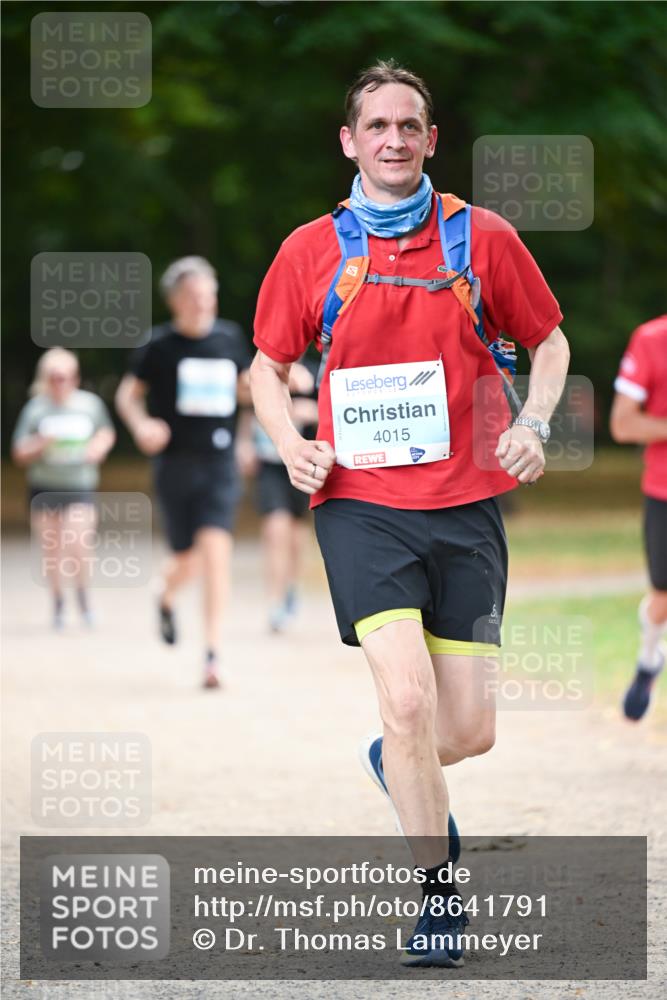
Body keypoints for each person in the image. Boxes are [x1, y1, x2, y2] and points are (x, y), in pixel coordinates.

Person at [250, 60, 570, 967]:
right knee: (406, 697)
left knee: (465, 731)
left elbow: (547, 341)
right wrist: (287, 442)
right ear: (349, 142)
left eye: (410, 126)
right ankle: (435, 896)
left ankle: (398, 761)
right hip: (359, 505)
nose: (394, 140)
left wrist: (535, 422)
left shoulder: (482, 238)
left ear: (431, 139)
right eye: (376, 127)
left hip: (466, 507)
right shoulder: (310, 250)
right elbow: (264, 368)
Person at [115, 256, 251, 689]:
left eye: (208, 294)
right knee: (185, 558)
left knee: (215, 553)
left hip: (219, 463)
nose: (202, 303)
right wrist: (142, 425)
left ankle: (212, 655)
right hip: (175, 465)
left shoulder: (230, 338)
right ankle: (165, 592)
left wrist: (272, 393)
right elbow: (128, 396)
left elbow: (247, 393)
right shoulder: (158, 346)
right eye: (192, 296)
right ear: (174, 300)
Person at [11, 348, 116, 629]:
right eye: (55, 377)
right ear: (45, 378)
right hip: (44, 488)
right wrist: (41, 443)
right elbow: (19, 451)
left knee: (78, 544)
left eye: (66, 377)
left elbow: (106, 432)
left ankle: (83, 595)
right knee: (52, 550)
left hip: (79, 487)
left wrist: (98, 447)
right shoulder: (35, 408)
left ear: (75, 377)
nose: (61, 382)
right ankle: (58, 601)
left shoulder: (89, 405)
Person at [610, 315, 667, 721]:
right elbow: (622, 423)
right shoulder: (652, 339)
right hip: (664, 490)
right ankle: (649, 659)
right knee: (662, 598)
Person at [239, 359, 319, 632]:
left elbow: (328, 411)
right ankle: (273, 602)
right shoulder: (263, 364)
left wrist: (311, 410)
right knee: (275, 529)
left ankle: (291, 589)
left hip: (303, 461)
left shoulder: (314, 367)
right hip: (270, 464)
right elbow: (251, 409)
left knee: (296, 535)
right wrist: (244, 443)